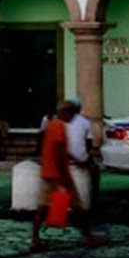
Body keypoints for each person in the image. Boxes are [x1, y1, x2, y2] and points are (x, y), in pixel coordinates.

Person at [31, 100, 104, 250]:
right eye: (71, 113)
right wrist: (63, 177)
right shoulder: (59, 126)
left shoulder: (53, 125)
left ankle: (35, 239)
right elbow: (58, 151)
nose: (73, 117)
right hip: (58, 173)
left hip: (50, 172)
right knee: (76, 206)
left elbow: (62, 149)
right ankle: (89, 237)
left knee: (43, 206)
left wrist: (78, 160)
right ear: (65, 113)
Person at [65, 98, 100, 219]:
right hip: (77, 156)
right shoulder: (85, 122)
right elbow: (89, 143)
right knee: (95, 171)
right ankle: (94, 199)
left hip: (67, 157)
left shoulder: (61, 121)